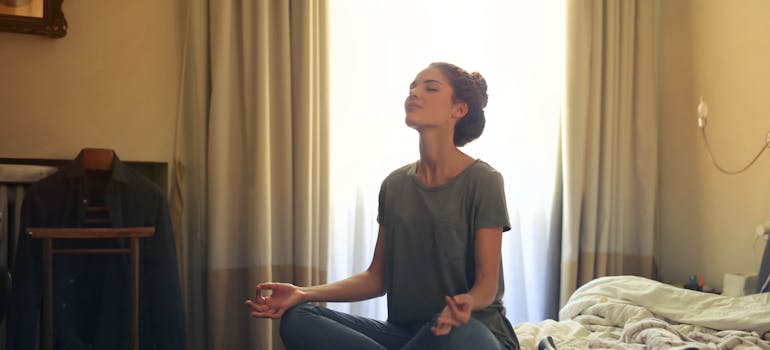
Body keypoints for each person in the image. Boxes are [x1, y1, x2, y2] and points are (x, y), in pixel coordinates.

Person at [245, 62, 519, 350]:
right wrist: (302, 293)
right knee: (298, 318)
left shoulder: (484, 180)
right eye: (412, 86)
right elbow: (377, 278)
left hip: (469, 334)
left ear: (458, 110)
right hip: (406, 336)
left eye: (430, 87)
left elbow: (487, 285)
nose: (414, 92)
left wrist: (468, 301)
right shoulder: (395, 185)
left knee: (464, 334)